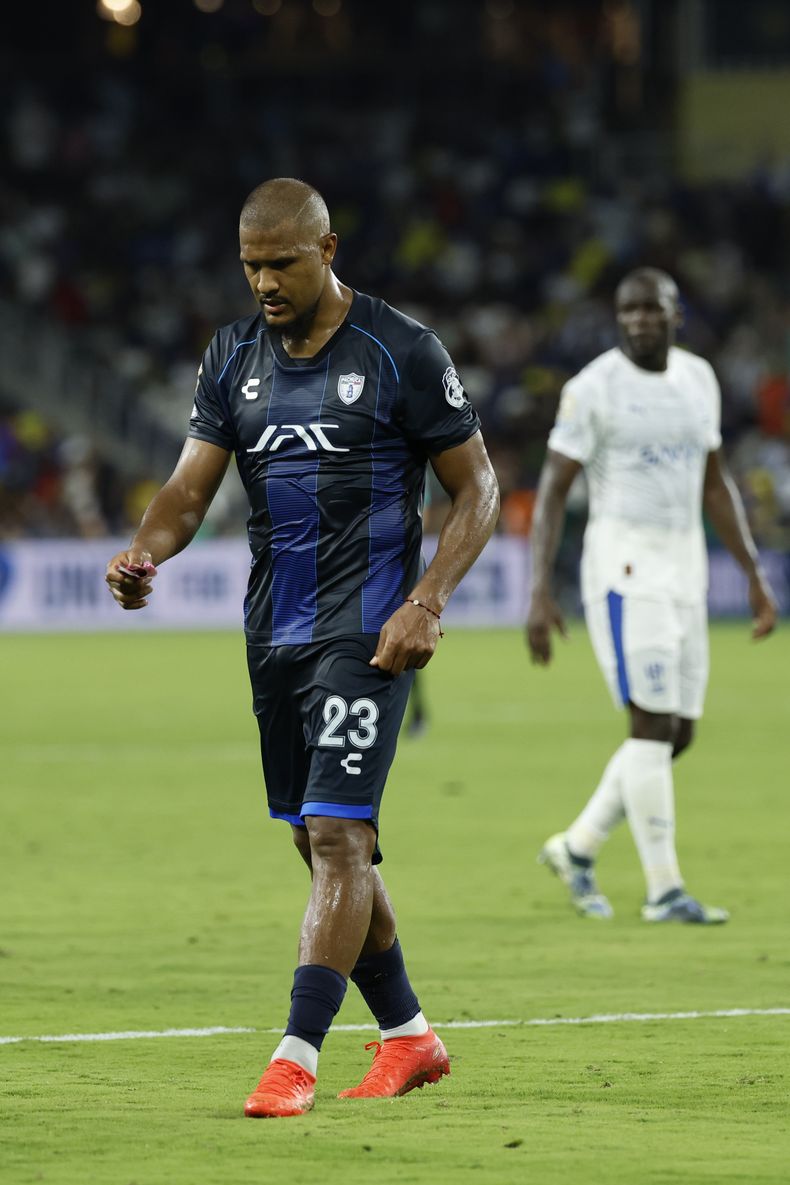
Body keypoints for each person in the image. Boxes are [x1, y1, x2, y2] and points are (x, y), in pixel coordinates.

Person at [106, 178, 499, 1117]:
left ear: (327, 250)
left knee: (337, 834)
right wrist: (144, 550)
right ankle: (410, 1038)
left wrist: (428, 601)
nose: (264, 283)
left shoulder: (402, 350)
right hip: (273, 630)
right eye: (250, 266)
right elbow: (190, 489)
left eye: (281, 263)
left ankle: (294, 1057)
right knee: (321, 841)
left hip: (368, 633)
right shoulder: (231, 355)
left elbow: (476, 488)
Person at [526, 267, 776, 924]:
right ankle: (665, 888)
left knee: (678, 732)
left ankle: (576, 847)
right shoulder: (593, 388)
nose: (638, 320)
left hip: (685, 564)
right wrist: (538, 589)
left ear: (676, 315)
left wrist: (751, 571)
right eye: (628, 310)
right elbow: (553, 489)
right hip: (624, 565)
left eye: (651, 309)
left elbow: (714, 482)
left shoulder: (698, 379)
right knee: (650, 724)